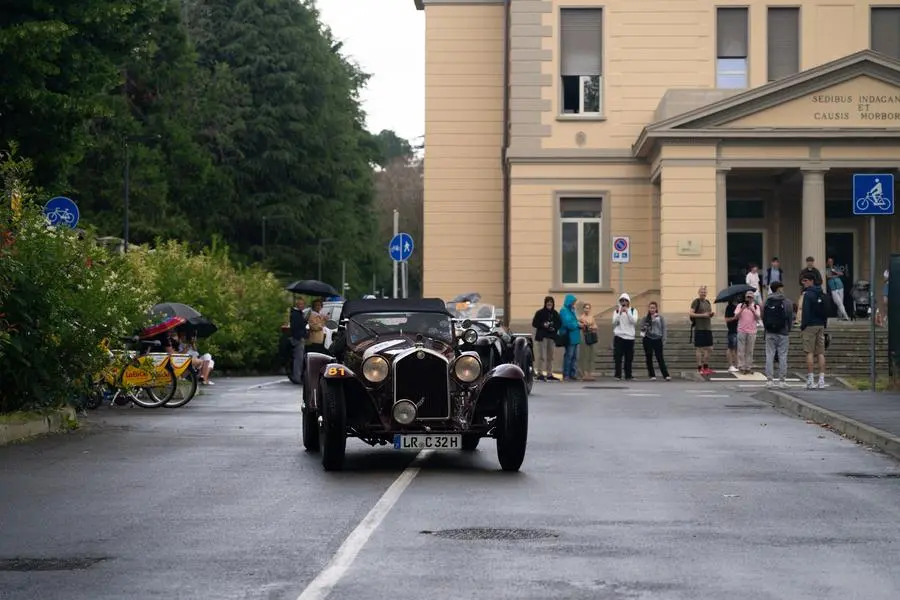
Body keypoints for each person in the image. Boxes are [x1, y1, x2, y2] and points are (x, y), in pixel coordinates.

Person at [800, 273, 828, 389]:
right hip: (821, 324)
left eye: (806, 281)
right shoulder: (821, 293)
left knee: (809, 352)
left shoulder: (808, 294)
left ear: (811, 281)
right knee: (820, 353)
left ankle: (810, 379)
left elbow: (805, 311)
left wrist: (803, 326)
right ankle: (821, 379)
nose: (804, 283)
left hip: (810, 325)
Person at [763, 281, 793, 387]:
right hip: (783, 332)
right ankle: (782, 380)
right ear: (779, 288)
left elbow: (763, 316)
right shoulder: (786, 301)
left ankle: (769, 380)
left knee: (769, 355)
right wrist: (788, 328)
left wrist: (766, 328)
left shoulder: (767, 300)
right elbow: (790, 317)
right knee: (783, 356)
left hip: (770, 332)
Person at [531, 296, 561, 381]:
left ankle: (549, 373)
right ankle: (540, 373)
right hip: (542, 337)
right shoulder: (540, 312)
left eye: (551, 302)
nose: (549, 303)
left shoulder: (555, 313)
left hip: (551, 337)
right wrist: (543, 325)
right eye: (548, 302)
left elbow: (559, 323)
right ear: (545, 303)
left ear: (553, 303)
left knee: (550, 356)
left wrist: (554, 327)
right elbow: (534, 323)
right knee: (541, 356)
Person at [689, 286, 715, 375]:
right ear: (698, 292)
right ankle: (699, 367)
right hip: (699, 328)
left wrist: (710, 314)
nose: (703, 293)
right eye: (701, 292)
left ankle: (705, 367)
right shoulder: (696, 302)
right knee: (699, 348)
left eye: (704, 292)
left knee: (710, 348)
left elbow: (707, 314)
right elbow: (691, 313)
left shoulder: (707, 302)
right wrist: (702, 315)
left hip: (708, 328)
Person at [640, 301, 669, 380]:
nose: (652, 310)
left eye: (654, 308)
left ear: (656, 309)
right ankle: (652, 375)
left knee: (660, 357)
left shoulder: (660, 318)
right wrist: (650, 321)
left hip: (658, 338)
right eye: (651, 308)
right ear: (648, 309)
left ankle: (666, 375)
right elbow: (642, 329)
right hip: (648, 338)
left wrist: (664, 338)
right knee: (649, 357)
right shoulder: (645, 318)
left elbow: (664, 328)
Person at [611, 292, 638, 381]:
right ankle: (617, 375)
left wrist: (627, 312)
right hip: (619, 336)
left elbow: (634, 321)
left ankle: (628, 375)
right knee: (618, 357)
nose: (624, 302)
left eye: (625, 300)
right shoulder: (616, 311)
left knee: (629, 358)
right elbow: (614, 322)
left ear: (628, 301)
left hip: (630, 337)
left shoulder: (633, 310)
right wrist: (619, 313)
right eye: (622, 300)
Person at [734, 290, 761, 374]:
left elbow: (758, 318)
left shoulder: (756, 307)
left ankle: (748, 367)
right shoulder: (740, 305)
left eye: (750, 297)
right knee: (741, 350)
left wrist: (752, 310)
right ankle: (741, 366)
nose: (749, 299)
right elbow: (736, 316)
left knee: (749, 350)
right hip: (741, 330)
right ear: (745, 297)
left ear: (753, 298)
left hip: (752, 331)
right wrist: (742, 309)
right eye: (747, 297)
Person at [558, 294, 581, 381]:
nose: (574, 303)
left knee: (575, 357)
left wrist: (578, 323)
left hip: (575, 336)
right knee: (569, 356)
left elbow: (573, 321)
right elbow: (567, 323)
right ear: (569, 302)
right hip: (570, 337)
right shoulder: (564, 311)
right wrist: (577, 324)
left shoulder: (572, 310)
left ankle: (573, 374)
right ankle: (566, 374)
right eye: (573, 302)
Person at [796, 256, 823, 325]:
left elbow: (820, 281)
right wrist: (805, 282)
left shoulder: (816, 271)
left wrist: (812, 283)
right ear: (806, 262)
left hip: (814, 292)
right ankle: (799, 320)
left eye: (811, 262)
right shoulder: (803, 271)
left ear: (813, 262)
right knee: (801, 305)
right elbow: (800, 281)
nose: (810, 263)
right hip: (805, 291)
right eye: (808, 262)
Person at [289, 296, 309, 384]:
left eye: (303, 304)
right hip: (298, 338)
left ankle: (297, 376)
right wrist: (301, 335)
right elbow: (296, 326)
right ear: (297, 305)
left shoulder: (298, 313)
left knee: (298, 358)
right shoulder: (296, 314)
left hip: (298, 337)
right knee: (298, 359)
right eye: (300, 304)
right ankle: (297, 377)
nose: (302, 306)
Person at [576, 302, 598, 381]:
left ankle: (590, 373)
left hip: (591, 337)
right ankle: (584, 373)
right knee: (584, 355)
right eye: (585, 308)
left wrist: (591, 326)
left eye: (588, 308)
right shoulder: (581, 317)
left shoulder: (592, 317)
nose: (587, 309)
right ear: (583, 309)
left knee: (590, 355)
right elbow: (581, 326)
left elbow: (595, 326)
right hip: (584, 337)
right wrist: (587, 325)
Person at [724, 297, 739, 373]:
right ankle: (730, 365)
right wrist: (734, 318)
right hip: (732, 330)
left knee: (736, 349)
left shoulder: (738, 306)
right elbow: (726, 319)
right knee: (730, 348)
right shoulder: (729, 307)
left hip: (739, 330)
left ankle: (736, 365)